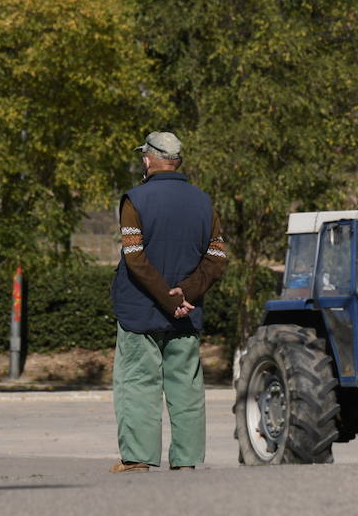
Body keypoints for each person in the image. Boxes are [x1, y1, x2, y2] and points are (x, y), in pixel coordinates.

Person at [109, 131, 228, 473]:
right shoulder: (204, 202)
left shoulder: (135, 200)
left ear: (147, 160)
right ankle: (187, 461)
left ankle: (137, 459)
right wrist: (185, 294)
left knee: (138, 383)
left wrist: (166, 297)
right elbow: (217, 258)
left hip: (140, 311)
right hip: (187, 313)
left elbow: (134, 256)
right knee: (186, 386)